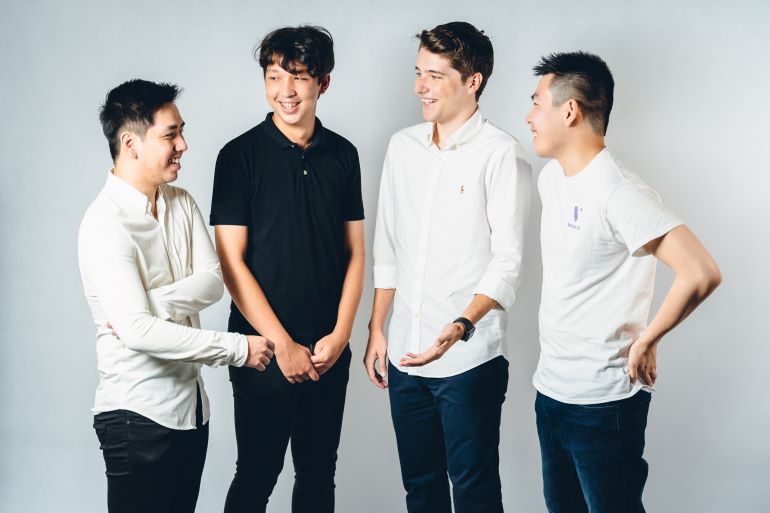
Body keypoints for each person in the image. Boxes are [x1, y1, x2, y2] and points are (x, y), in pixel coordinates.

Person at [525, 51, 722, 513]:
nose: (529, 117)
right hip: (550, 392)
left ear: (569, 111)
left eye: (536, 103)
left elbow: (701, 271)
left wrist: (648, 338)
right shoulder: (552, 179)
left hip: (603, 404)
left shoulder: (618, 191)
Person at [78, 79, 274, 513]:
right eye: (171, 135)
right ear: (131, 144)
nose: (183, 145)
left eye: (181, 132)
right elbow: (138, 333)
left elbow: (212, 281)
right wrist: (238, 348)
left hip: (191, 412)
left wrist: (150, 305)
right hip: (135, 417)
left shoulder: (181, 202)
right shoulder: (106, 224)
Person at [365, 21, 531, 513]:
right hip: (405, 354)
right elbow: (387, 248)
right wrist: (377, 330)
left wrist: (461, 326)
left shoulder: (501, 153)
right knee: (421, 490)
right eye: (419, 73)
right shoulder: (402, 147)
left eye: (435, 76)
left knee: (474, 492)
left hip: (468, 360)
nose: (420, 86)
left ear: (472, 81)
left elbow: (508, 261)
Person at [210, 26, 365, 513]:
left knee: (319, 475)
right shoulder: (238, 156)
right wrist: (281, 345)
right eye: (275, 77)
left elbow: (355, 254)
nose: (286, 91)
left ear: (324, 82)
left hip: (326, 351)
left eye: (299, 77)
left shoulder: (344, 155)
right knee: (256, 474)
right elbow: (231, 263)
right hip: (261, 350)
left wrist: (341, 334)